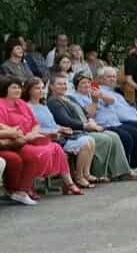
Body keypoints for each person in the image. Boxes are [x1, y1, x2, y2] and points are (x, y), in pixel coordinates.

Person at [0, 75, 83, 203]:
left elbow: (35, 124)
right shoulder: (1, 105)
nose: (18, 90)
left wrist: (32, 134)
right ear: (5, 89)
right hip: (15, 142)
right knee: (36, 154)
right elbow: (5, 128)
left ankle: (68, 184)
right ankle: (24, 189)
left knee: (55, 147)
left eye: (19, 88)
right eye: (14, 88)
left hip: (30, 138)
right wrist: (26, 137)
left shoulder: (22, 103)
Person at [47, 74, 137, 182]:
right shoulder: (53, 101)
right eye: (59, 84)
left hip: (87, 126)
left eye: (64, 84)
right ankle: (100, 173)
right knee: (104, 139)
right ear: (51, 86)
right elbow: (65, 121)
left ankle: (121, 172)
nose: (63, 86)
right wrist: (85, 126)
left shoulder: (69, 98)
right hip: (76, 131)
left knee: (114, 136)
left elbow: (85, 112)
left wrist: (90, 121)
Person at [23, 77, 96, 188]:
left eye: (42, 88)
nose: (41, 91)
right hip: (46, 138)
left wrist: (62, 128)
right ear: (29, 90)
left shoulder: (43, 106)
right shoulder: (27, 107)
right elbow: (33, 128)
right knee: (85, 142)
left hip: (58, 135)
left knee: (90, 140)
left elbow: (52, 124)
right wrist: (53, 132)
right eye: (37, 88)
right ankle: (79, 176)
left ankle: (86, 173)